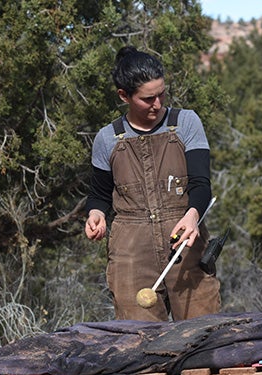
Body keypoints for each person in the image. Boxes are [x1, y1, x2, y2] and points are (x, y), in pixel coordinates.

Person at [84, 45, 220, 321]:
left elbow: (201, 183)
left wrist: (193, 215)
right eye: (148, 99)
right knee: (139, 348)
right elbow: (99, 195)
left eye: (161, 94)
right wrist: (96, 214)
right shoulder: (106, 139)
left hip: (186, 245)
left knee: (202, 338)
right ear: (124, 96)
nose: (157, 104)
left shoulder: (187, 123)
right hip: (130, 253)